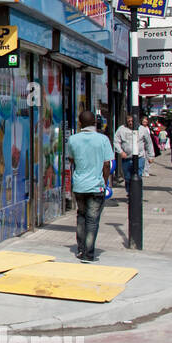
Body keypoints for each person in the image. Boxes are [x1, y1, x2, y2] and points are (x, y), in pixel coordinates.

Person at [64, 111, 114, 262]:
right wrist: (104, 182)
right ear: (95, 122)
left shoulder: (72, 140)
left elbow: (71, 160)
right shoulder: (103, 140)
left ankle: (80, 249)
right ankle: (89, 253)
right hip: (96, 185)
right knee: (92, 220)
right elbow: (107, 165)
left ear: (80, 123)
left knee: (81, 216)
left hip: (79, 184)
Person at [114, 115, 143, 186]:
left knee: (138, 175)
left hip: (140, 157)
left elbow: (149, 143)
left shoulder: (142, 129)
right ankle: (129, 192)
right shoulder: (121, 129)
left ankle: (137, 193)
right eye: (129, 121)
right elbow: (116, 141)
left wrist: (151, 155)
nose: (130, 123)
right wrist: (121, 152)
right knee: (127, 178)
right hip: (127, 158)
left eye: (132, 121)